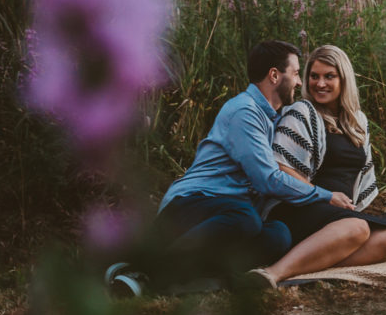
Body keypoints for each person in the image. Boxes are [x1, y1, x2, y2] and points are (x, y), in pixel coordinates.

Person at [106, 40, 355, 295]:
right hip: (190, 206)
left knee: (278, 234)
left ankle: (202, 277)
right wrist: (324, 195)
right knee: (246, 218)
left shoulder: (272, 117)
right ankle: (146, 273)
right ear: (274, 75)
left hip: (225, 216)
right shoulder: (244, 112)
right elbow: (267, 179)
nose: (299, 82)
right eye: (294, 74)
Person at [245, 45, 386, 289]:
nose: (320, 83)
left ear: (344, 79)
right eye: (314, 76)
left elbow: (361, 175)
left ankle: (304, 263)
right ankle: (272, 274)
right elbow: (279, 166)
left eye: (329, 76)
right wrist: (325, 196)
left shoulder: (358, 121)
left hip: (334, 215)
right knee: (359, 227)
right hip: (301, 208)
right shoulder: (301, 112)